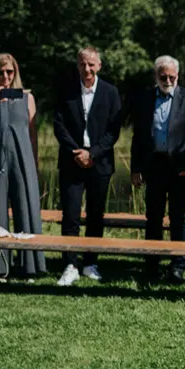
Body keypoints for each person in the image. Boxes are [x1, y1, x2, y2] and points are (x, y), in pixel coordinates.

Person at [130, 55, 185, 285]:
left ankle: (177, 265)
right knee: (152, 217)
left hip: (180, 166)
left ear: (178, 76)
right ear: (156, 76)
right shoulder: (144, 98)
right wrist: (135, 168)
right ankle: (152, 264)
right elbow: (138, 136)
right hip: (153, 164)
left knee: (178, 218)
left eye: (172, 76)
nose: (168, 80)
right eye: (163, 76)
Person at [53, 46, 123, 287]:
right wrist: (77, 152)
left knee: (95, 215)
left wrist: (92, 153)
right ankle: (70, 264)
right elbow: (58, 126)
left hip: (99, 163)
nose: (87, 69)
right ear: (78, 65)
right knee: (70, 215)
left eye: (92, 64)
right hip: (72, 161)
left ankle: (91, 263)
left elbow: (114, 131)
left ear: (99, 66)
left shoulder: (111, 93)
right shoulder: (66, 91)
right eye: (83, 64)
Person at [0, 53, 44, 279]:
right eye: (1, 72)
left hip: (22, 158)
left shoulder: (27, 98)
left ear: (15, 73)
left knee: (27, 209)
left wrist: (34, 161)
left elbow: (32, 133)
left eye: (10, 72)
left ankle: (29, 267)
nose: (5, 77)